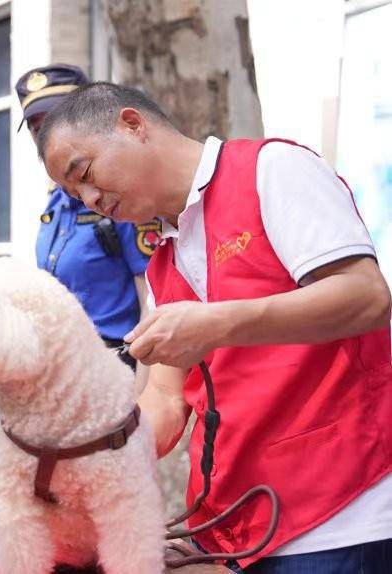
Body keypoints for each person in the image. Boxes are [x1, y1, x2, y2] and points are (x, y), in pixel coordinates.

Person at [38, 81, 392, 572]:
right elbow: (166, 397)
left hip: (336, 512)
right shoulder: (163, 254)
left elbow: (367, 297)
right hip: (233, 518)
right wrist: (99, 460)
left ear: (133, 124)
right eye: (76, 194)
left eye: (86, 173)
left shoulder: (273, 171)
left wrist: (219, 322)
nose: (92, 198)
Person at [16, 64, 158, 373]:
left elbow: (154, 299)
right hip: (65, 363)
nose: (44, 133)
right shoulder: (56, 202)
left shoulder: (117, 199)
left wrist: (142, 400)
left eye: (53, 119)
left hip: (116, 364)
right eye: (35, 126)